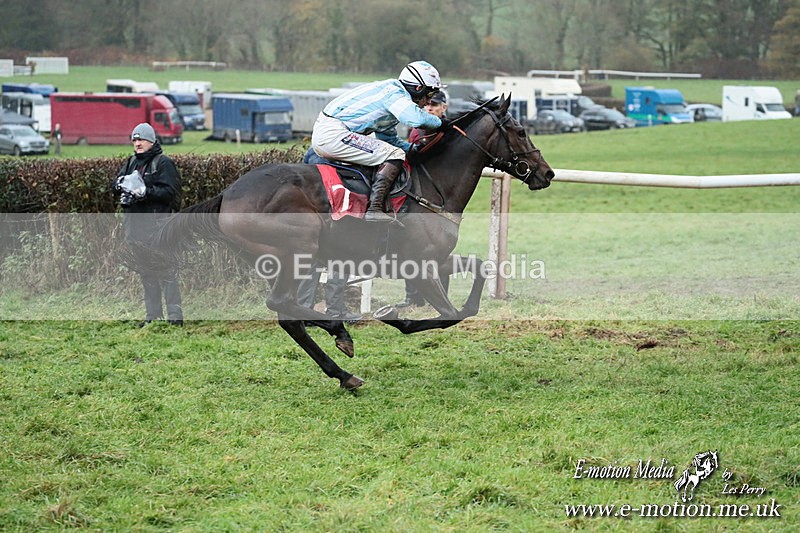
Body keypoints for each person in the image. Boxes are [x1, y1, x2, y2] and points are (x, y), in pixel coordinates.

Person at [311, 60, 444, 222]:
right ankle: (375, 208)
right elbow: (415, 119)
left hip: (330, 132)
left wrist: (413, 149)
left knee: (394, 151)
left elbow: (388, 139)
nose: (428, 102)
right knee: (395, 154)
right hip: (332, 134)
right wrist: (442, 122)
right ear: (418, 88)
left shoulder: (392, 96)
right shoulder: (395, 94)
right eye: (429, 95)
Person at [113, 123, 183, 327]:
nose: (137, 143)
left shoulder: (163, 163)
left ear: (151, 141)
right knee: (146, 273)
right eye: (134, 140)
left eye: (141, 139)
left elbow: (171, 192)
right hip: (136, 229)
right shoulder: (131, 162)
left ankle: (175, 318)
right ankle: (152, 317)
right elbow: (116, 183)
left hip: (158, 228)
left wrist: (146, 192)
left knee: (167, 272)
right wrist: (118, 184)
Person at [397, 90, 449, 308]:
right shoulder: (416, 129)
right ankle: (413, 298)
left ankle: (438, 298)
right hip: (416, 192)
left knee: (441, 247)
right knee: (413, 245)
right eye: (427, 105)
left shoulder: (448, 131)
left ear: (443, 108)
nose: (429, 108)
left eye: (434, 105)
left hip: (438, 196)